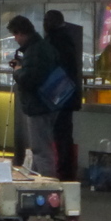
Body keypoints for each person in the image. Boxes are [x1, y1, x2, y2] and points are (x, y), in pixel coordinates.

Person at [7, 15, 59, 177]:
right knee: (40, 148)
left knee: (41, 149)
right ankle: (35, 180)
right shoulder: (43, 47)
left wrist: (17, 71)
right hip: (49, 102)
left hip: (37, 105)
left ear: (21, 33)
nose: (15, 39)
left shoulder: (35, 51)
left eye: (15, 35)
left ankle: (48, 185)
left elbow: (29, 79)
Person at [43, 10, 81, 180]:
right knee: (64, 133)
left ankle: (61, 170)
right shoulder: (68, 39)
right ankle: (66, 170)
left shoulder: (53, 41)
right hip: (68, 95)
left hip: (58, 95)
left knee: (59, 133)